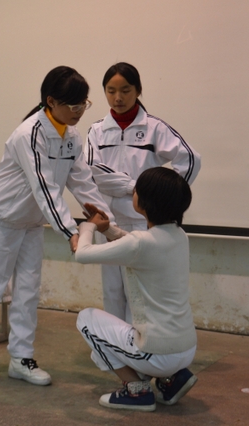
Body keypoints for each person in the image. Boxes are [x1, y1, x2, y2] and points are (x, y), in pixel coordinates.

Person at [0, 66, 114, 386]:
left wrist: (106, 221)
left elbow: (82, 182)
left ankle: (21, 357)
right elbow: (44, 188)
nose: (79, 111)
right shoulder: (28, 134)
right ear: (51, 101)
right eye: (73, 105)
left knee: (28, 292)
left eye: (83, 104)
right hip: (3, 221)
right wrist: (70, 231)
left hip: (32, 224)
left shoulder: (71, 136)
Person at [85, 62, 201, 323]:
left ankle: (138, 342)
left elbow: (191, 159)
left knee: (137, 291)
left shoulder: (154, 128)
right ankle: (116, 343)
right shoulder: (96, 130)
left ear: (138, 90)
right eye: (111, 91)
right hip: (108, 222)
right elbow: (92, 169)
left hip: (142, 222)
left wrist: (163, 197)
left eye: (125, 90)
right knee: (112, 291)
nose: (118, 97)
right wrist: (135, 187)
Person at [75, 167, 197, 411]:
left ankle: (137, 390)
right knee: (120, 333)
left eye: (136, 190)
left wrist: (87, 227)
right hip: (186, 349)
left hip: (157, 353)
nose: (134, 193)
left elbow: (83, 254)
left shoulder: (141, 242)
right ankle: (171, 380)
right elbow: (134, 245)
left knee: (87, 321)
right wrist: (107, 228)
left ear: (146, 201)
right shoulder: (179, 235)